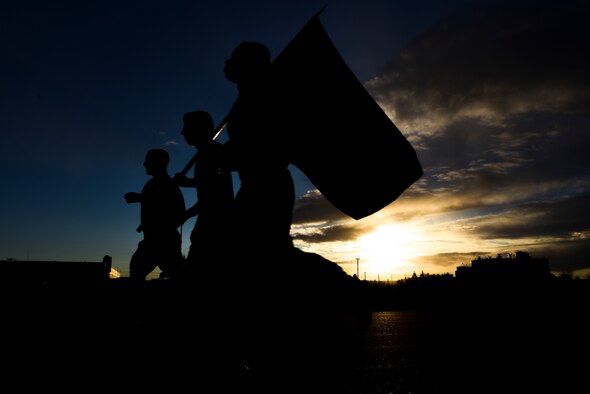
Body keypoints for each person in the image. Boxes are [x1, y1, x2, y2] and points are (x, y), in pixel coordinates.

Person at [223, 41, 296, 259]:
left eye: (235, 58)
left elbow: (268, 148)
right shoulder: (245, 98)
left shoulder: (264, 97)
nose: (227, 63)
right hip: (255, 185)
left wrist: (231, 155)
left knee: (263, 253)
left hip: (268, 185)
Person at [173, 110, 234, 278]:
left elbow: (213, 197)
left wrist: (185, 215)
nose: (182, 132)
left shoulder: (210, 153)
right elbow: (209, 184)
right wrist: (188, 183)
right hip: (214, 224)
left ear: (198, 128)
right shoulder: (208, 152)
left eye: (186, 127)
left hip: (214, 227)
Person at [124, 148, 185, 283]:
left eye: (148, 161)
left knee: (137, 269)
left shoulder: (168, 185)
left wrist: (141, 198)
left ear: (157, 163)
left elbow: (179, 213)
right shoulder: (156, 184)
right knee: (138, 269)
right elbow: (160, 202)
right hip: (156, 240)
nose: (144, 164)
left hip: (162, 241)